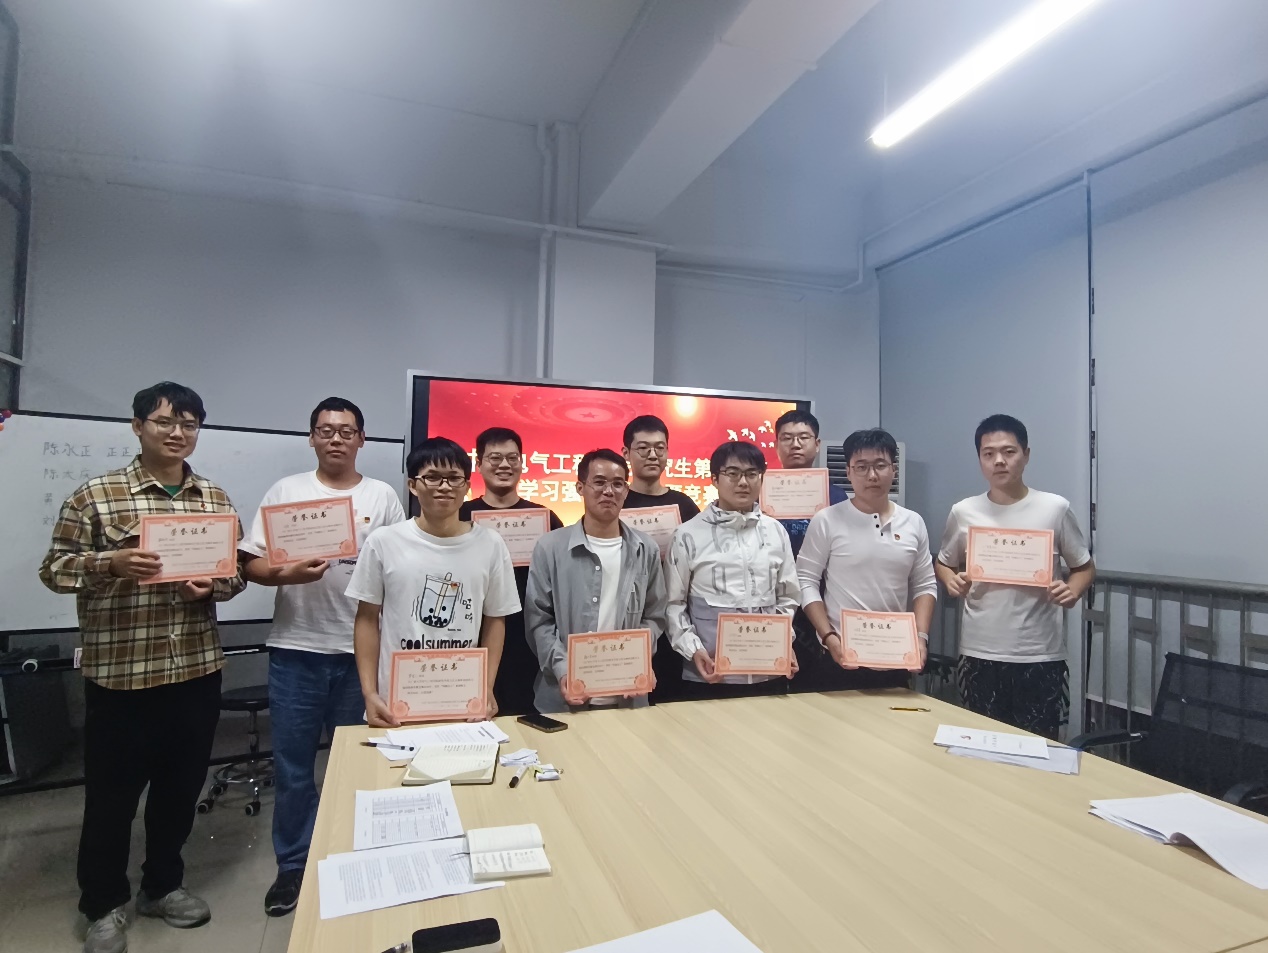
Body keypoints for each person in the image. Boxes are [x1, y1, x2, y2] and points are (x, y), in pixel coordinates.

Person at [39, 382, 245, 953]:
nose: (177, 433)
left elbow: (232, 573)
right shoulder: (96, 495)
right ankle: (102, 904)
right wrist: (111, 563)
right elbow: (53, 570)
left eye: (189, 424)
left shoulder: (213, 496)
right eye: (164, 422)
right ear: (137, 426)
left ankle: (163, 886)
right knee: (111, 799)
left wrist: (213, 586)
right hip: (123, 675)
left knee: (179, 791)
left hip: (195, 670)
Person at [238, 397, 405, 917]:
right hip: (297, 651)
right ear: (311, 437)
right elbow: (249, 564)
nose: (336, 438)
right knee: (293, 768)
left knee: (360, 763)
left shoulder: (383, 496)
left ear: (362, 440)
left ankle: (356, 854)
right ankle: (294, 864)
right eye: (326, 430)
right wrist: (285, 574)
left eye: (346, 431)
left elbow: (402, 565)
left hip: (362, 658)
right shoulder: (287, 492)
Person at [935, 414, 1094, 740]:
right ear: (979, 459)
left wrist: (1073, 590)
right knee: (982, 743)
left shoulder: (1054, 508)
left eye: (1009, 451)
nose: (999, 461)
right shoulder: (963, 511)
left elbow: (1084, 567)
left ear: (1026, 454)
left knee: (1039, 746)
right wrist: (950, 580)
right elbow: (943, 563)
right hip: (980, 651)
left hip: (1040, 653)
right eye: (988, 453)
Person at [347, 437, 519, 728]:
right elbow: (366, 619)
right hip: (396, 704)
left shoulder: (490, 543)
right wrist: (369, 693)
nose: (444, 486)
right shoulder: (384, 542)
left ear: (467, 485)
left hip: (464, 701)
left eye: (454, 478)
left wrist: (486, 686)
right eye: (432, 477)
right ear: (413, 485)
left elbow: (495, 620)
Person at [525, 449, 667, 713]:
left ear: (626, 490)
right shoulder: (550, 547)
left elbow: (655, 615)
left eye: (618, 484)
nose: (609, 491)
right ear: (580, 487)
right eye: (599, 482)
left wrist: (639, 661)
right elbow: (539, 620)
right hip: (563, 698)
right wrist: (563, 669)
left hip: (629, 698)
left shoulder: (645, 548)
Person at [798, 428, 938, 690]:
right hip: (839, 655)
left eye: (880, 465)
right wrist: (828, 636)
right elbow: (805, 581)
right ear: (848, 472)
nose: (872, 475)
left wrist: (920, 638)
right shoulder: (827, 520)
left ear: (893, 469)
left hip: (896, 655)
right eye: (861, 467)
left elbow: (925, 585)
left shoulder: (913, 522)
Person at [665, 441, 799, 700]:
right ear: (715, 479)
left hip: (767, 672)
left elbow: (788, 597)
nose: (743, 482)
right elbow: (673, 604)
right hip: (710, 672)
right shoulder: (687, 535)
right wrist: (693, 650)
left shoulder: (775, 532)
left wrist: (783, 641)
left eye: (751, 474)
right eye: (733, 473)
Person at [458, 427, 563, 716]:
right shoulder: (460, 517)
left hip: (529, 639)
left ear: (522, 463)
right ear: (479, 464)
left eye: (512, 458)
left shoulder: (546, 519)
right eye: (495, 458)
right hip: (473, 635)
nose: (504, 465)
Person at [621, 414, 699, 702]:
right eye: (643, 448)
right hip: (630, 618)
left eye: (659, 447)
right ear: (626, 453)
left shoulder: (685, 505)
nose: (652, 455)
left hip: (677, 619)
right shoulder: (615, 501)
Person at [772, 409, 849, 692]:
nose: (795, 444)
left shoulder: (837, 496)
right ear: (776, 445)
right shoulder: (760, 491)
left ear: (817, 444)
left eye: (803, 437)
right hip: (772, 601)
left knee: (816, 683)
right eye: (787, 438)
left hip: (821, 603)